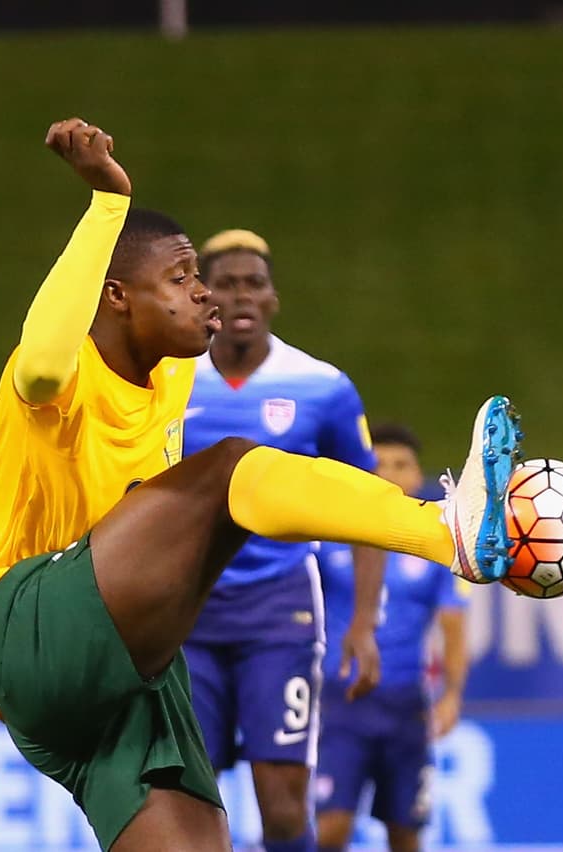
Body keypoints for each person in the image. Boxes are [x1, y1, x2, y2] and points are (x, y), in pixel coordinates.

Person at [0, 118, 521, 852]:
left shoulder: (177, 373)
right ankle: (446, 529)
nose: (207, 298)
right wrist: (106, 203)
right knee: (227, 470)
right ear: (119, 296)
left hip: (121, 688)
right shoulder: (55, 383)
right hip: (25, 629)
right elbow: (38, 362)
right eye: (184, 279)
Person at [181, 228, 386, 852]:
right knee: (189, 796)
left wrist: (363, 624)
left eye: (255, 283)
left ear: (273, 297)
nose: (241, 295)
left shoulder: (321, 386)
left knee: (283, 802)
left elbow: (369, 506)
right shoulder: (167, 384)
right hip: (183, 615)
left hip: (280, 611)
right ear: (201, 296)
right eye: (226, 282)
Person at [313, 423, 470, 852]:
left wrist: (452, 694)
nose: (388, 473)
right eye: (377, 463)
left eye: (400, 465)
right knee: (331, 830)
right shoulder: (328, 538)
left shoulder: (437, 545)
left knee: (405, 833)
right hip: (341, 704)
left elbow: (453, 626)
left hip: (405, 707)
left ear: (418, 476)